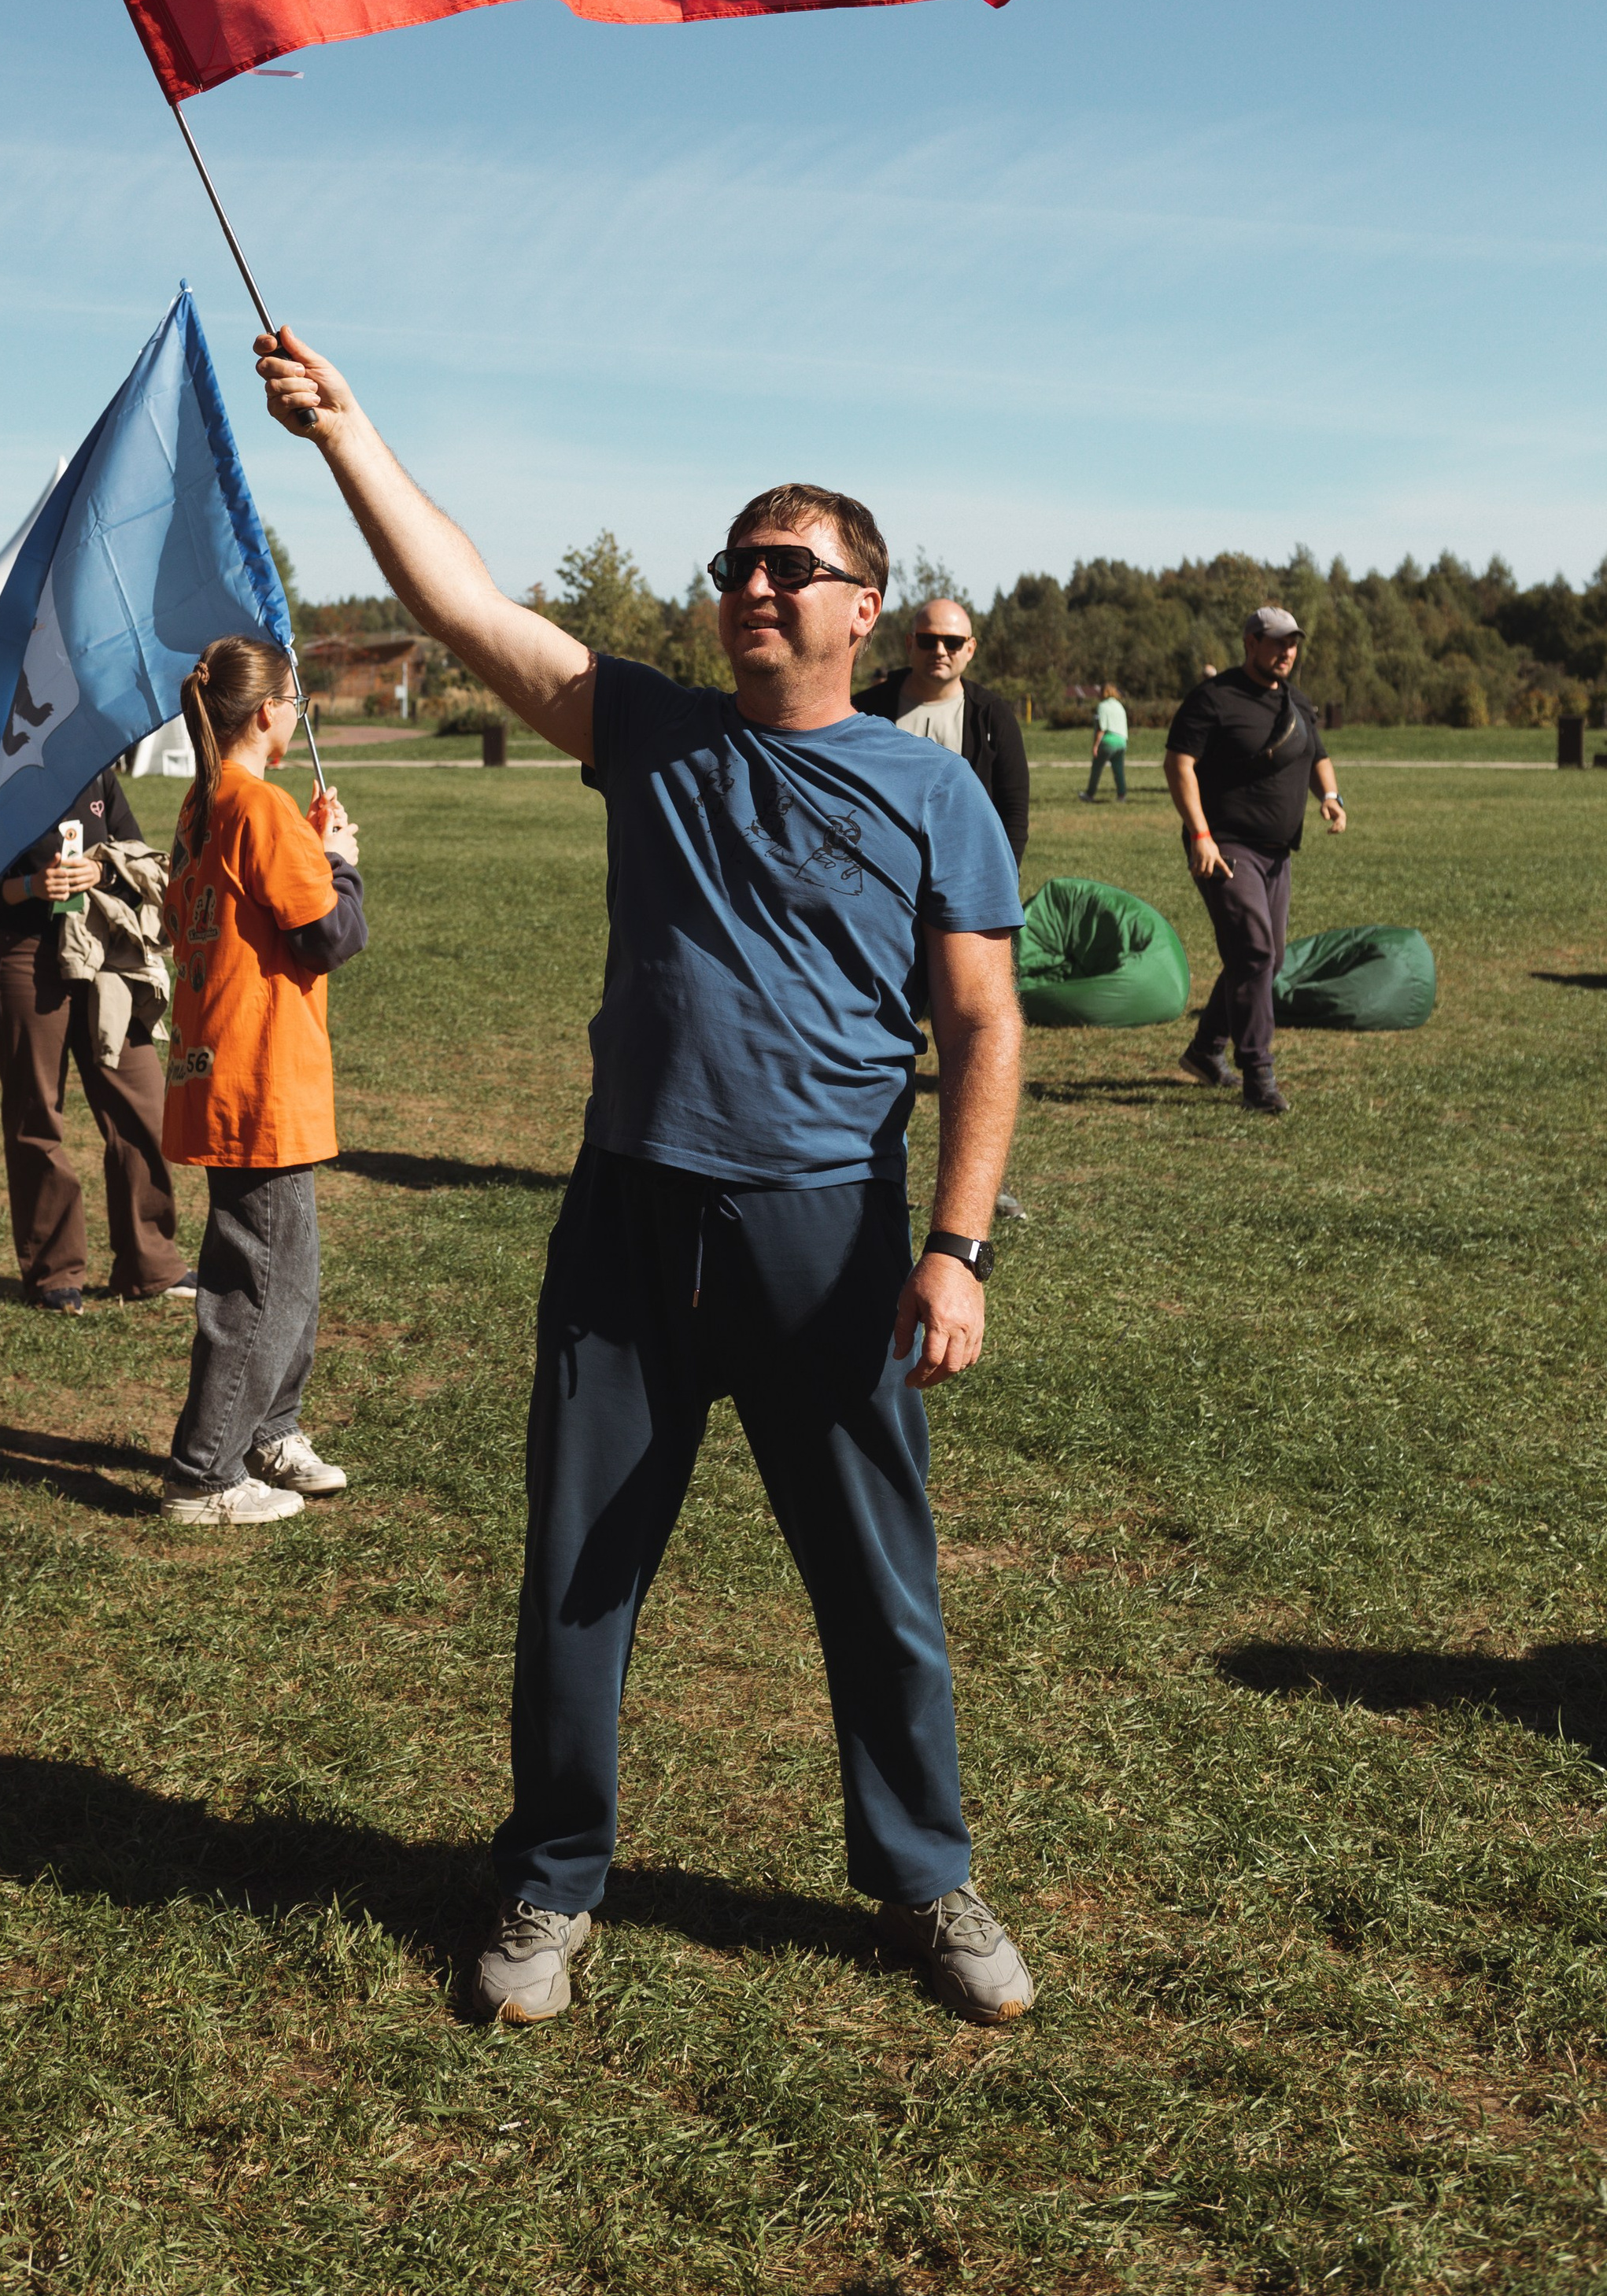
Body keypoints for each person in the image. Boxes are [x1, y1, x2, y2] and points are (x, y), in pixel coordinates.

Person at [256, 325, 1034, 2031]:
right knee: (574, 1572)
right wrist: (346, 433)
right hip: (627, 1220)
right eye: (734, 563)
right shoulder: (656, 735)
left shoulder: (931, 790)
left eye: (788, 566)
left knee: (876, 1585)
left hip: (826, 1233)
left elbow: (982, 1028)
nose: (751, 586)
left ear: (861, 604)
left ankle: (922, 1874)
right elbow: (468, 607)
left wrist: (956, 1248)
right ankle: (546, 1881)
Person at [158, 637, 367, 1530]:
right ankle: (205, 1472)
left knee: (289, 1270)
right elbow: (328, 934)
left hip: (221, 1066)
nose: (299, 715)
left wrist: (308, 848)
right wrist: (343, 859)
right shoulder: (260, 805)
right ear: (267, 715)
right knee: (259, 1279)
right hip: (260, 1077)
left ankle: (271, 1428)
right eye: (294, 701)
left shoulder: (201, 806)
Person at [0, 766, 190, 1312]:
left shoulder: (96, 772)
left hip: (101, 952)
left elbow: (135, 850)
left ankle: (151, 1263)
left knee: (143, 1106)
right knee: (36, 1115)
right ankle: (54, 1272)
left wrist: (101, 868)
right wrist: (29, 886)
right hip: (22, 955)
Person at [1165, 606, 1347, 1116]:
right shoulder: (1213, 698)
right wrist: (1200, 834)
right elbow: (1178, 764)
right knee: (1253, 950)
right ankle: (1258, 1074)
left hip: (1277, 851)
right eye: (1277, 641)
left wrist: (1330, 796)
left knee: (1269, 958)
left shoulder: (1297, 702)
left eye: (1293, 643)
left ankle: (1205, 1050)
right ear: (1250, 642)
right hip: (1224, 843)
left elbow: (1317, 754)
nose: (1287, 651)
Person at [853, 597, 1028, 868]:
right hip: (881, 870)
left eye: (953, 642)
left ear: (970, 649)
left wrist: (1004, 877)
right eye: (927, 640)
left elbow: (1013, 813)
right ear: (910, 644)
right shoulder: (865, 709)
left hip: (964, 869)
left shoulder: (993, 716)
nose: (940, 650)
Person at [1081, 685, 1129, 803]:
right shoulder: (1120, 706)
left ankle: (1090, 794)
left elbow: (1102, 728)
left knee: (1097, 768)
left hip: (1108, 741)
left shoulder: (1102, 706)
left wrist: (1096, 745)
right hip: (1122, 741)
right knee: (1118, 770)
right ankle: (1122, 795)